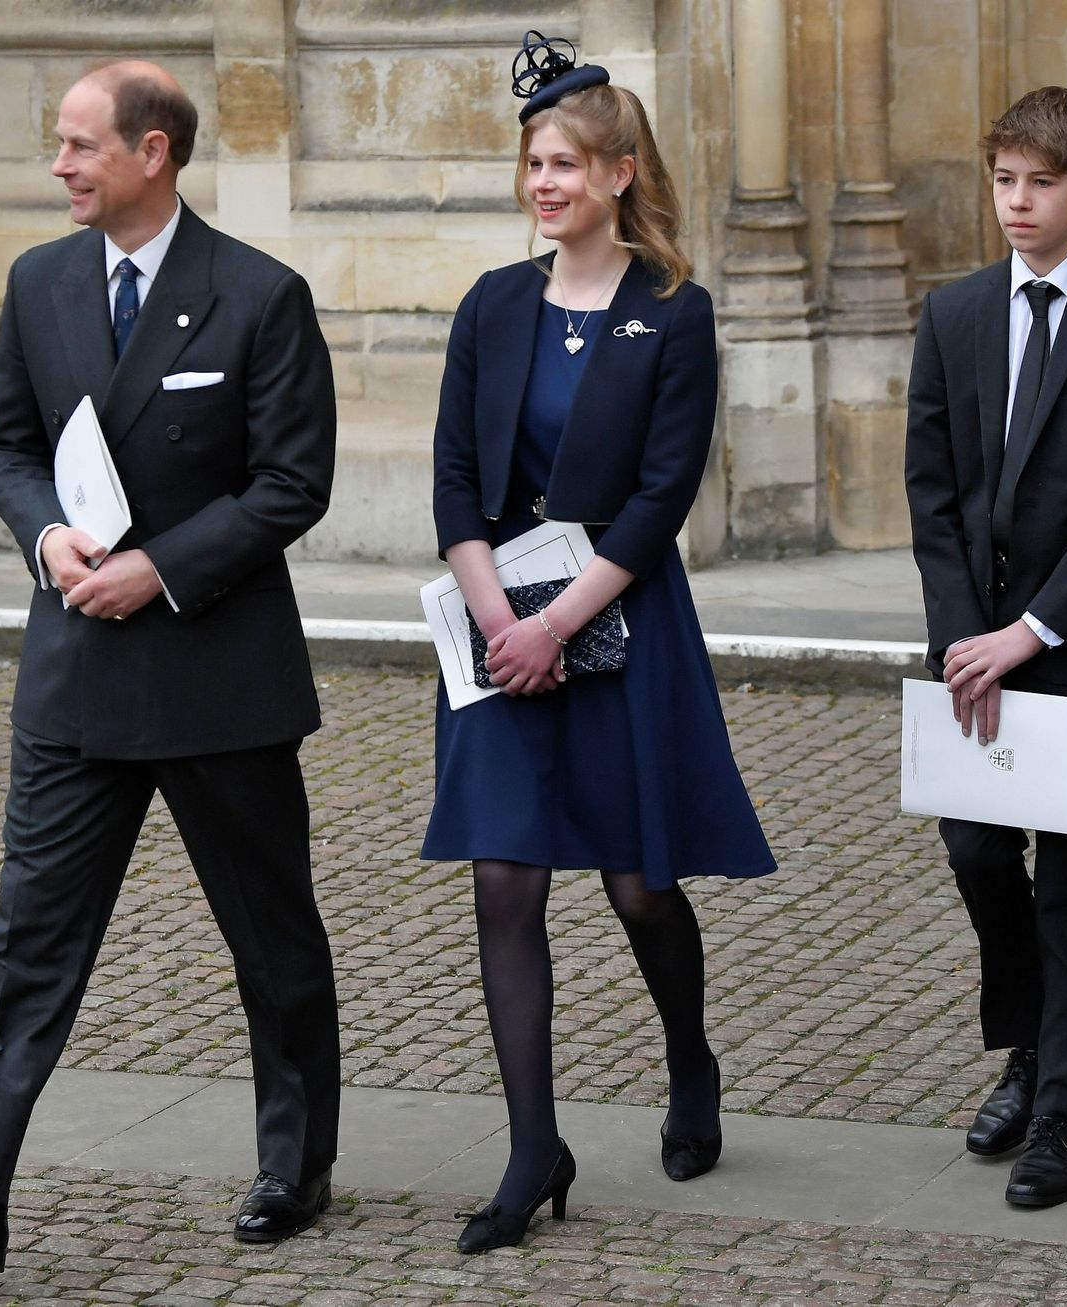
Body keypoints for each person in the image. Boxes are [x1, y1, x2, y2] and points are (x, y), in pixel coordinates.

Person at [0, 61, 342, 1272]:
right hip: (74, 667)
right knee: (31, 936)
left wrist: (160, 568)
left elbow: (292, 482)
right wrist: (43, 535)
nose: (59, 165)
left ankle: (295, 1159)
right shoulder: (39, 281)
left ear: (151, 153)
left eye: (78, 146)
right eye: (58, 146)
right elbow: (11, 448)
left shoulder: (259, 295)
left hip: (214, 672)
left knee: (269, 933)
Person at [422, 33, 776, 1255]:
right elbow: (455, 478)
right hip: (498, 628)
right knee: (503, 882)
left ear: (621, 171)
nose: (544, 184)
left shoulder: (673, 313)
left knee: (637, 884)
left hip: (621, 624)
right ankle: (534, 1148)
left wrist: (561, 622)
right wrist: (496, 619)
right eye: (532, 164)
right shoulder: (490, 303)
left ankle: (690, 1058)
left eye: (565, 163)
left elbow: (661, 493)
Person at [904, 87, 1067, 1210]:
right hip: (969, 646)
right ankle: (1026, 1041)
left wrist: (1029, 631)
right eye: (1003, 180)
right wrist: (969, 633)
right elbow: (930, 489)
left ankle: (1062, 1109)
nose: (1016, 203)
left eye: (1040, 184)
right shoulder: (953, 310)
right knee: (974, 854)